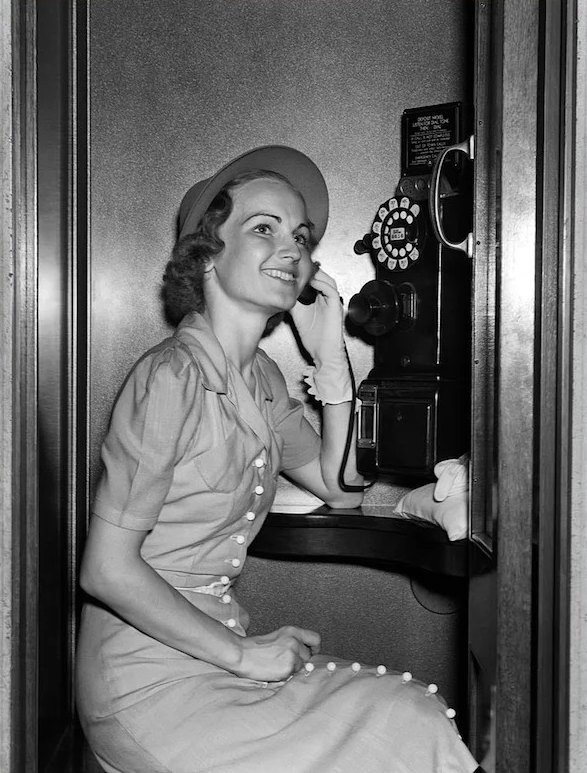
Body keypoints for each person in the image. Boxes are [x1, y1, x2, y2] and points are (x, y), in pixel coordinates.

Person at [76, 145, 482, 773]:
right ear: (207, 253)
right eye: (262, 228)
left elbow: (339, 485)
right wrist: (246, 658)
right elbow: (104, 570)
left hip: (217, 658)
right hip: (147, 684)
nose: (293, 248)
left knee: (412, 717)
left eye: (300, 235)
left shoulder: (261, 378)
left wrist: (332, 362)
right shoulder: (170, 379)